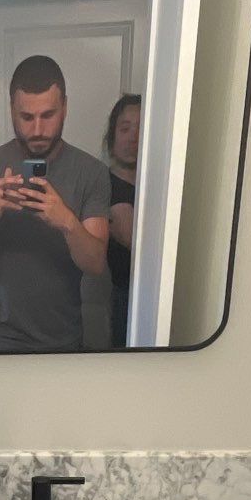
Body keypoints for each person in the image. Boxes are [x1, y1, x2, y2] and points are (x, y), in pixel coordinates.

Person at [0, 56, 111, 353]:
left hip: (65, 337)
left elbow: (95, 263)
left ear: (65, 107)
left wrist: (65, 220)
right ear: (12, 111)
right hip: (1, 337)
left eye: (48, 115)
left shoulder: (91, 172)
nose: (38, 129)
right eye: (26, 118)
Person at [103, 93, 141, 348]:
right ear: (113, 135)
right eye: (125, 128)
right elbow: (133, 239)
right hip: (127, 295)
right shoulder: (107, 185)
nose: (132, 138)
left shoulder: (158, 182)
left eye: (141, 128)